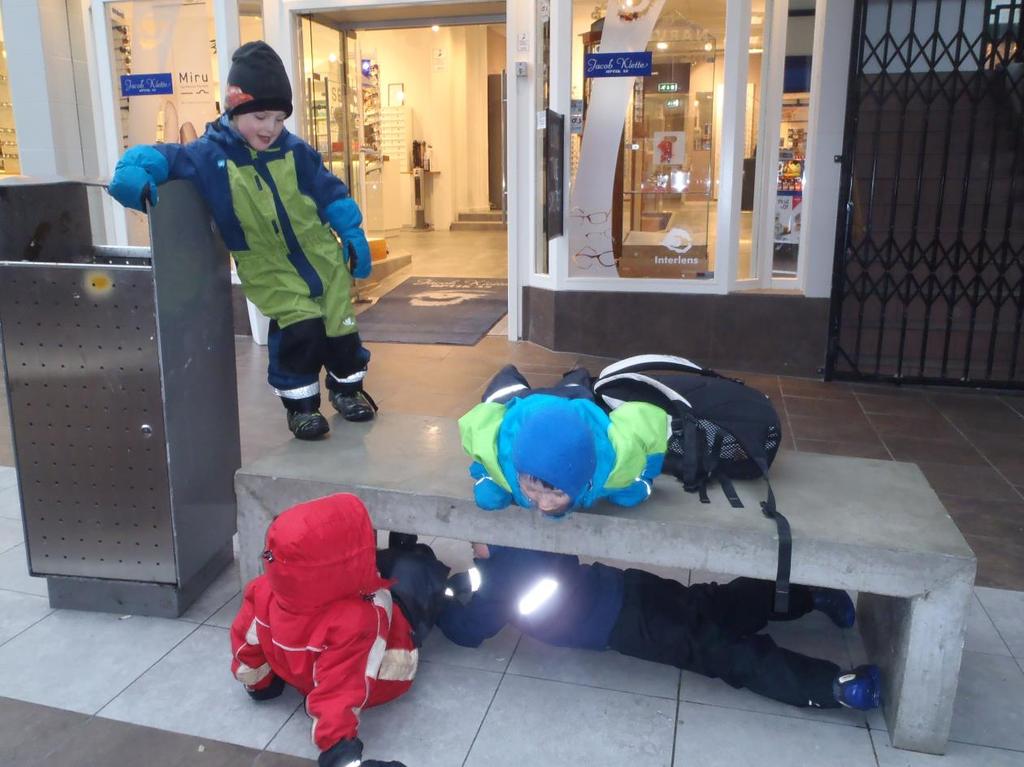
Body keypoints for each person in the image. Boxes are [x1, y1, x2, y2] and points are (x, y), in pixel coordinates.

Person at [108, 41, 376, 440]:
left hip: (322, 256)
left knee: (341, 329)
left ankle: (347, 390)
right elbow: (160, 157)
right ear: (234, 109)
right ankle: (301, 407)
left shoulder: (297, 151)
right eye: (260, 116)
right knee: (300, 330)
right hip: (266, 264)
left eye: (279, 118)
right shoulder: (208, 155)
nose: (270, 128)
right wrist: (131, 173)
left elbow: (330, 193)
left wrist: (352, 233)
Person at [439, 543, 882, 712]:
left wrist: (437, 604)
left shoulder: (497, 584)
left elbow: (468, 630)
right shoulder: (530, 537)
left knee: (719, 652)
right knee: (714, 603)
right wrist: (470, 575)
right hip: (628, 585)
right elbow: (504, 573)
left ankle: (836, 688)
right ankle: (810, 596)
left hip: (628, 627)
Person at [230, 493, 449, 767]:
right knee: (415, 573)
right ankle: (424, 562)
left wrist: (259, 684)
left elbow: (246, 643)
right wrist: (341, 756)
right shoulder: (354, 620)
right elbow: (339, 692)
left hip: (305, 671)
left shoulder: (263, 589)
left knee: (387, 564)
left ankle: (404, 551)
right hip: (384, 673)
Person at [458, 364, 669, 518]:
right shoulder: (500, 453)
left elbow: (648, 422)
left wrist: (642, 480)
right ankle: (508, 373)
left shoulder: (615, 460)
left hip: (577, 408)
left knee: (576, 390)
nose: (544, 504)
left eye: (558, 492)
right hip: (520, 409)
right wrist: (486, 477)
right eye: (531, 488)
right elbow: (481, 444)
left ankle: (578, 373)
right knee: (502, 392)